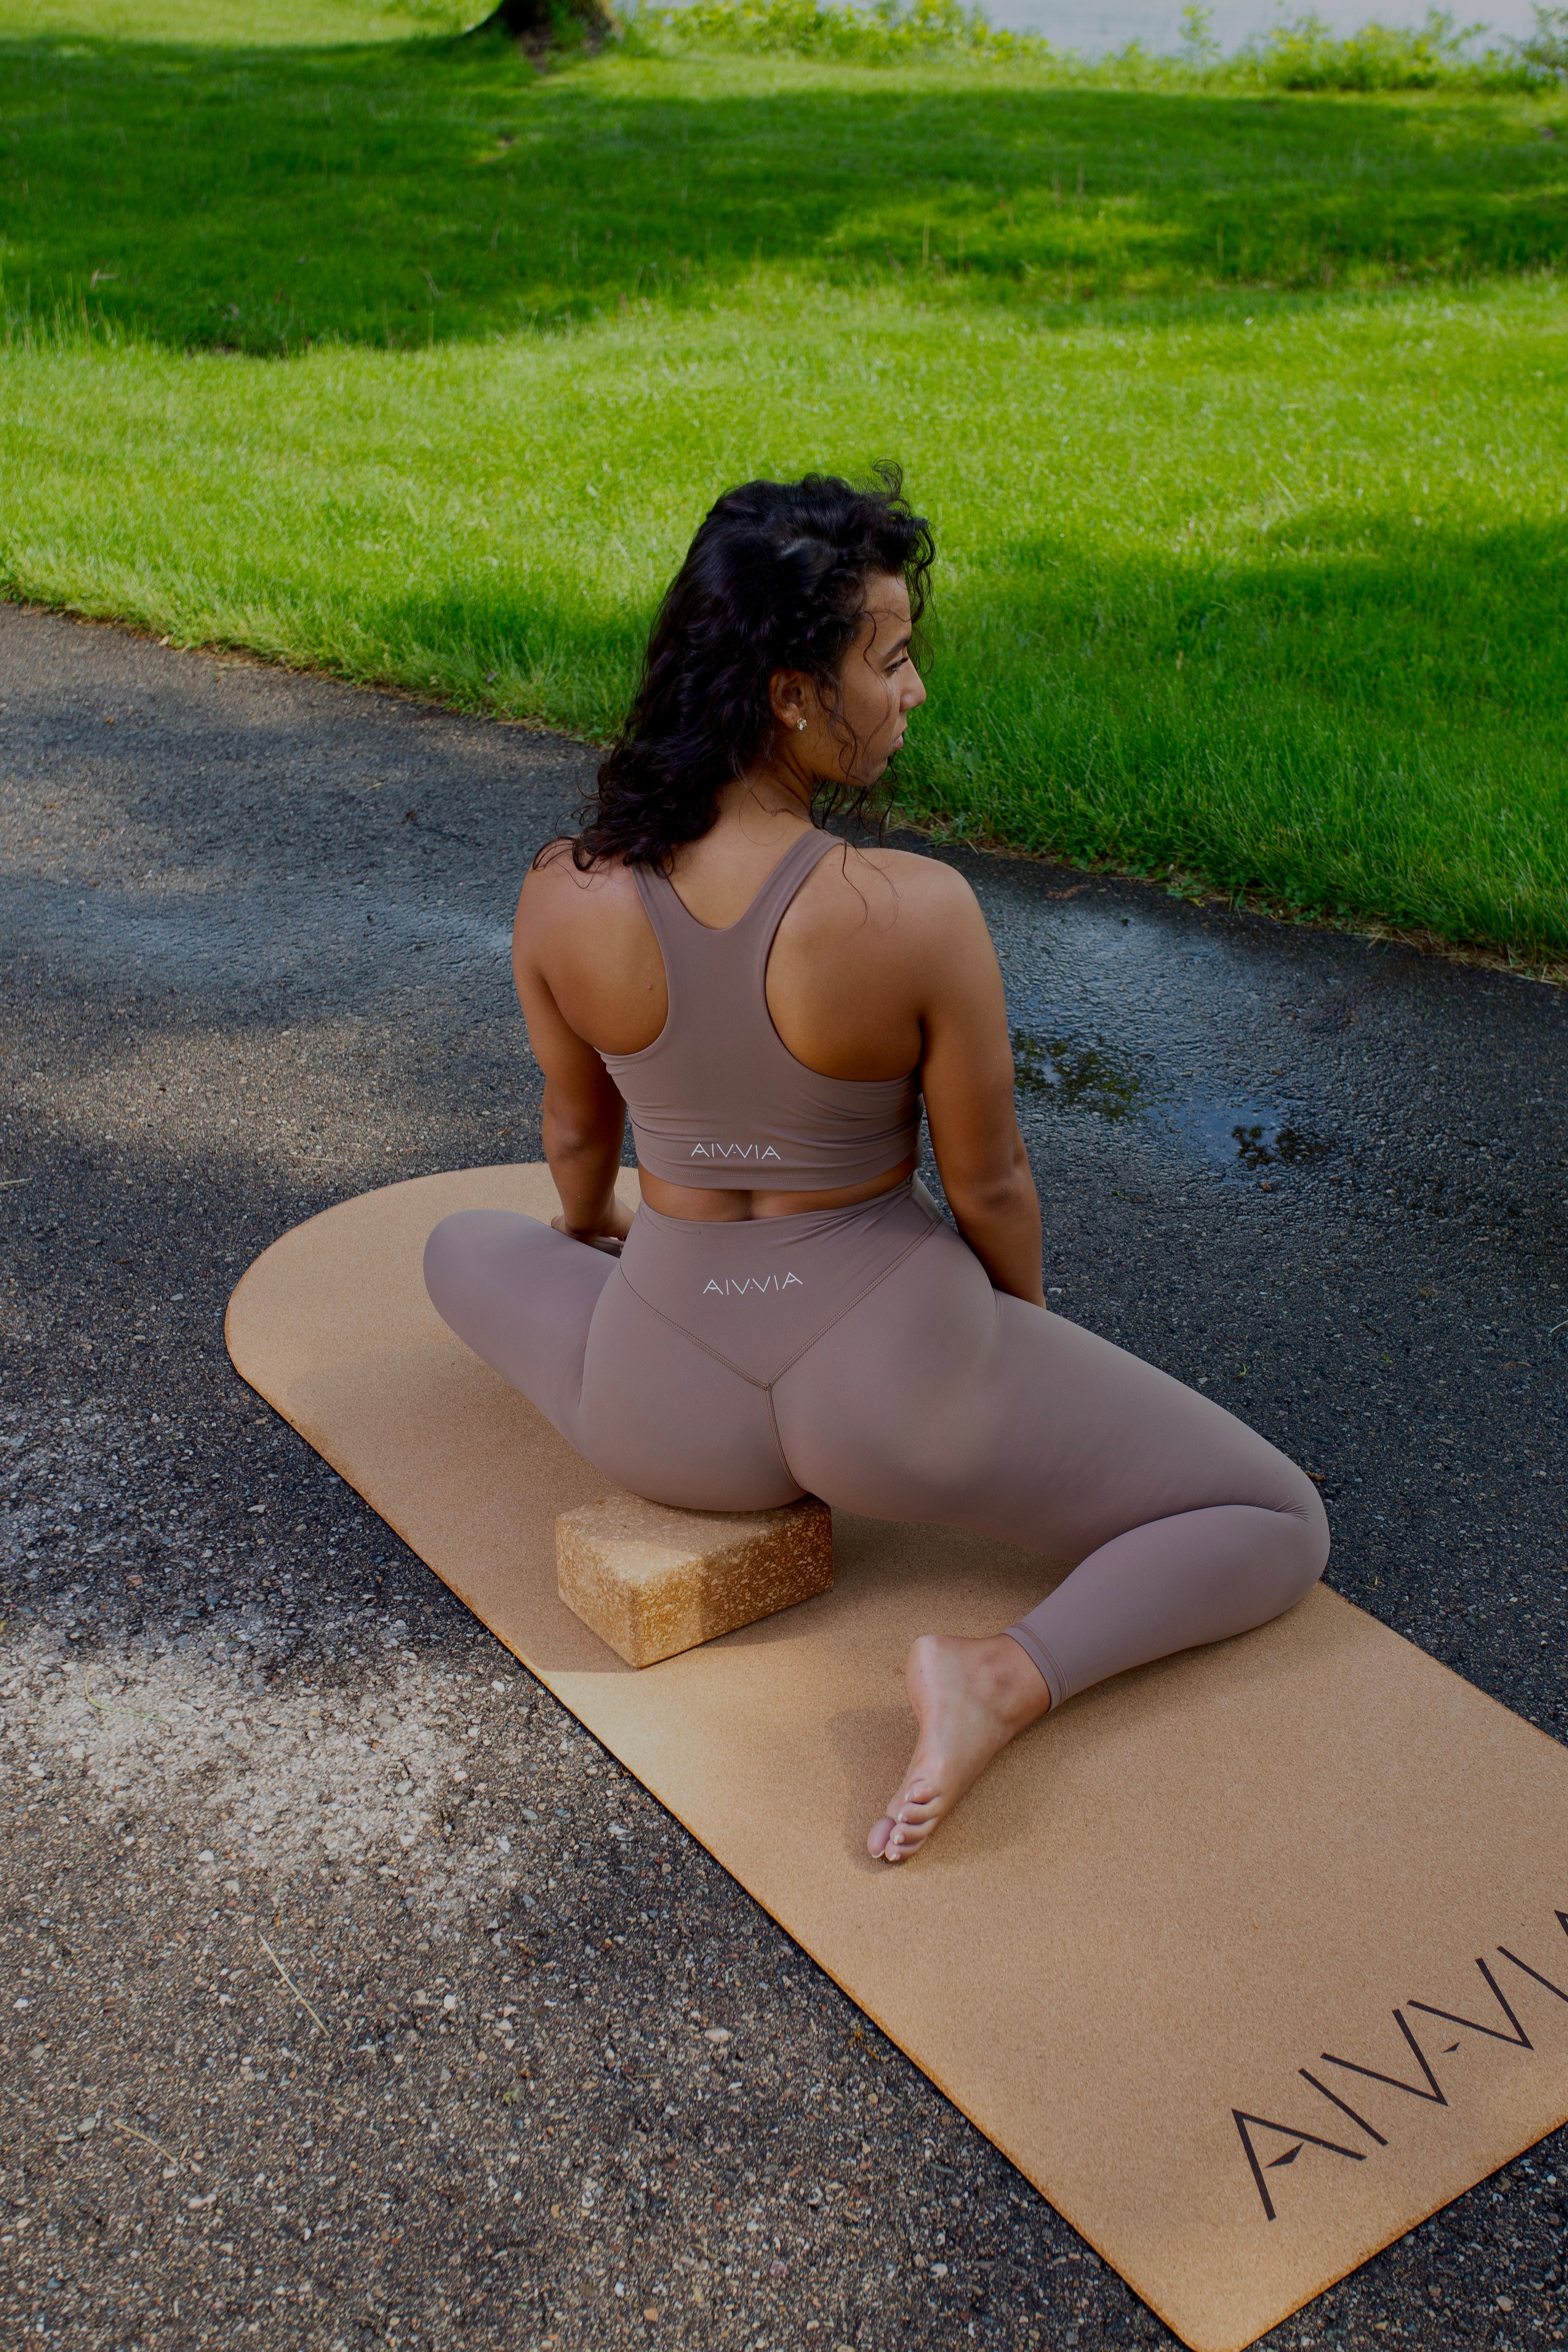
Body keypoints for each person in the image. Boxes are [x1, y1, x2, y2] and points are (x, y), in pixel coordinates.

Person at [424, 469, 1329, 1863]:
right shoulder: (909, 913)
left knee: (458, 1251)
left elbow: (574, 1140)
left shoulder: (563, 887)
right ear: (793, 694)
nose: (914, 694)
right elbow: (993, 1189)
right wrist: (1012, 1352)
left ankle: (646, 1314)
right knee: (1275, 1515)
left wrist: (591, 1230)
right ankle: (1003, 1673)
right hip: (893, 1395)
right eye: (892, 660)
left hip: (664, 1407)